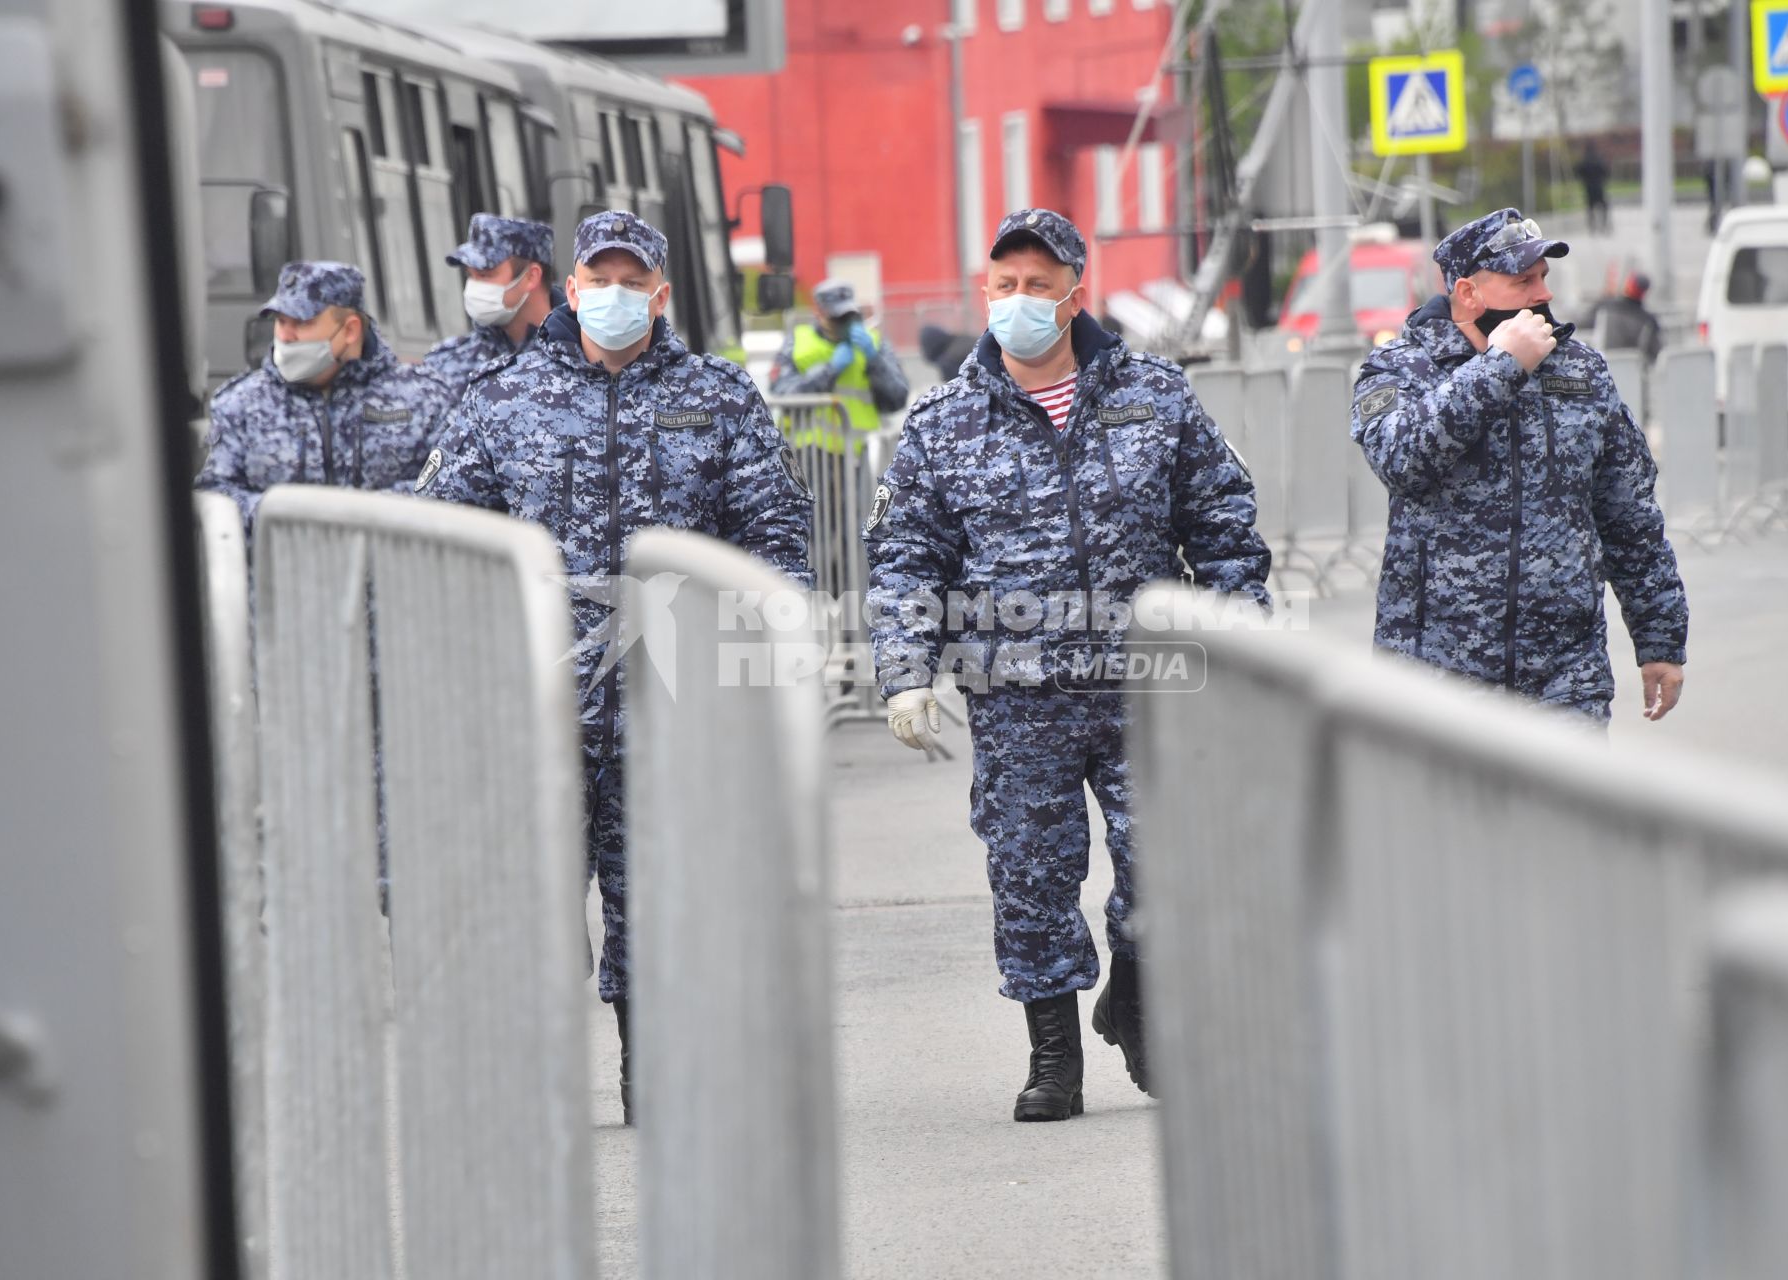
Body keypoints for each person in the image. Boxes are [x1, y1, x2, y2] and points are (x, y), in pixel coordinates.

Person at [864, 209, 1273, 1122]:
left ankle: (1137, 997)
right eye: (1003, 285)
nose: (1018, 301)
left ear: (1073, 294)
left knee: (1165, 863)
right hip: (1018, 699)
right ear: (986, 292)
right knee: (1031, 877)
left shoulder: (1154, 397)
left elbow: (1225, 533)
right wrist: (905, 672)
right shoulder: (942, 422)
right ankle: (1053, 1060)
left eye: (1037, 286)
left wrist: (1244, 649)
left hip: (1150, 689)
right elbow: (905, 561)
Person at [420, 211, 813, 1124]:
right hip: (535, 702)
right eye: (598, 277)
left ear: (660, 293)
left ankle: (655, 1080)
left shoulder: (717, 395)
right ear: (569, 288)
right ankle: (543, 1085)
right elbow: (441, 538)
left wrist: (766, 668)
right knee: (533, 899)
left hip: (673, 698)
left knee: (658, 901)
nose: (613, 294)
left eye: (631, 279)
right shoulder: (500, 399)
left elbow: (775, 538)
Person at [1350, 208, 1688, 726]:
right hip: (1436, 679)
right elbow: (1401, 460)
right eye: (1522, 280)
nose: (1543, 294)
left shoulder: (1581, 371)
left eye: (1544, 278)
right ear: (1468, 293)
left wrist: (1660, 637)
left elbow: (1629, 518)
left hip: (1564, 679)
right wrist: (1500, 367)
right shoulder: (1401, 367)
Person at [196, 260, 451, 523]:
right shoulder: (240, 404)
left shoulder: (424, 398)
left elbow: (451, 486)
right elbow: (216, 495)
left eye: (301, 323)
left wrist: (362, 516)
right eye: (281, 321)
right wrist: (288, 515)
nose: (286, 335)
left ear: (350, 330)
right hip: (284, 563)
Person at [420, 213, 558, 402]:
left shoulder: (580, 356)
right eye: (470, 275)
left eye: (485, 274)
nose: (474, 286)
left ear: (531, 277)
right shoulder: (444, 365)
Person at [769, 277, 910, 451]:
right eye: (836, 317)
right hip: (807, 458)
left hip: (860, 458)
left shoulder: (873, 343)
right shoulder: (797, 343)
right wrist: (829, 371)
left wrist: (874, 360)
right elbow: (781, 394)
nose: (844, 323)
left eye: (850, 316)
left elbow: (898, 398)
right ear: (819, 314)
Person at [1590, 272, 1663, 364]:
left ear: (1628, 284)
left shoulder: (1605, 307)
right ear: (1644, 292)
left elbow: (1580, 323)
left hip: (1602, 370)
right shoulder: (1649, 321)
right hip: (1633, 375)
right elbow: (1657, 354)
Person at [1576, 143, 1611, 234]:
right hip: (1599, 187)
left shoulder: (1584, 161)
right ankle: (1604, 225)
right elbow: (1605, 172)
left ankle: (1592, 226)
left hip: (1588, 187)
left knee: (1590, 207)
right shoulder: (1598, 160)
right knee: (1604, 207)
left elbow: (1579, 172)